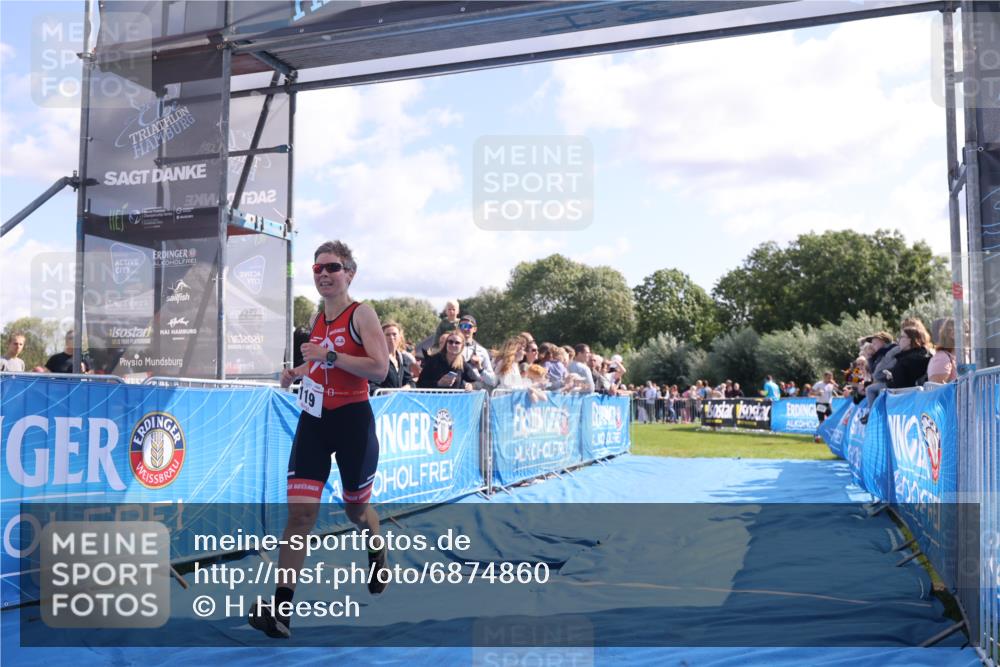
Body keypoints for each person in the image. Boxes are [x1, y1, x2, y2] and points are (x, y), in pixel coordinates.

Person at [251, 240, 390, 640]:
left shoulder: (361, 314)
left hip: (352, 420)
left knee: (355, 511)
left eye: (332, 267)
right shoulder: (317, 318)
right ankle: (281, 612)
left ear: (349, 272)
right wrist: (298, 371)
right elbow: (318, 356)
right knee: (300, 516)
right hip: (315, 419)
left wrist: (330, 358)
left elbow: (380, 369)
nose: (324, 274)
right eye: (317, 269)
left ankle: (375, 543)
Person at [369, 321, 414, 393]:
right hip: (383, 402)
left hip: (399, 401)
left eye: (394, 334)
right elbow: (371, 385)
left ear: (400, 337)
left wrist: (406, 388)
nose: (391, 337)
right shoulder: (377, 359)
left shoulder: (402, 358)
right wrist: (387, 392)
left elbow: (410, 381)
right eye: (387, 335)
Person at [458, 315, 497, 390]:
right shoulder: (452, 347)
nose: (465, 329)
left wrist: (480, 368)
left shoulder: (482, 351)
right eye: (462, 326)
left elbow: (492, 381)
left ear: (475, 329)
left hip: (475, 393)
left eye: (469, 326)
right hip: (456, 392)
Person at [810, 371, 838, 442]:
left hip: (828, 404)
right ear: (824, 377)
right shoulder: (819, 384)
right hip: (820, 404)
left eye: (831, 377)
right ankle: (817, 435)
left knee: (832, 420)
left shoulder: (831, 385)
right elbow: (811, 392)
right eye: (828, 377)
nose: (830, 379)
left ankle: (829, 435)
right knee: (821, 421)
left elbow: (838, 390)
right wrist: (817, 393)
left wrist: (834, 384)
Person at [927, 318, 957, 383]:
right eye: (967, 332)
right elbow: (937, 390)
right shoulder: (942, 358)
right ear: (953, 334)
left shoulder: (967, 356)